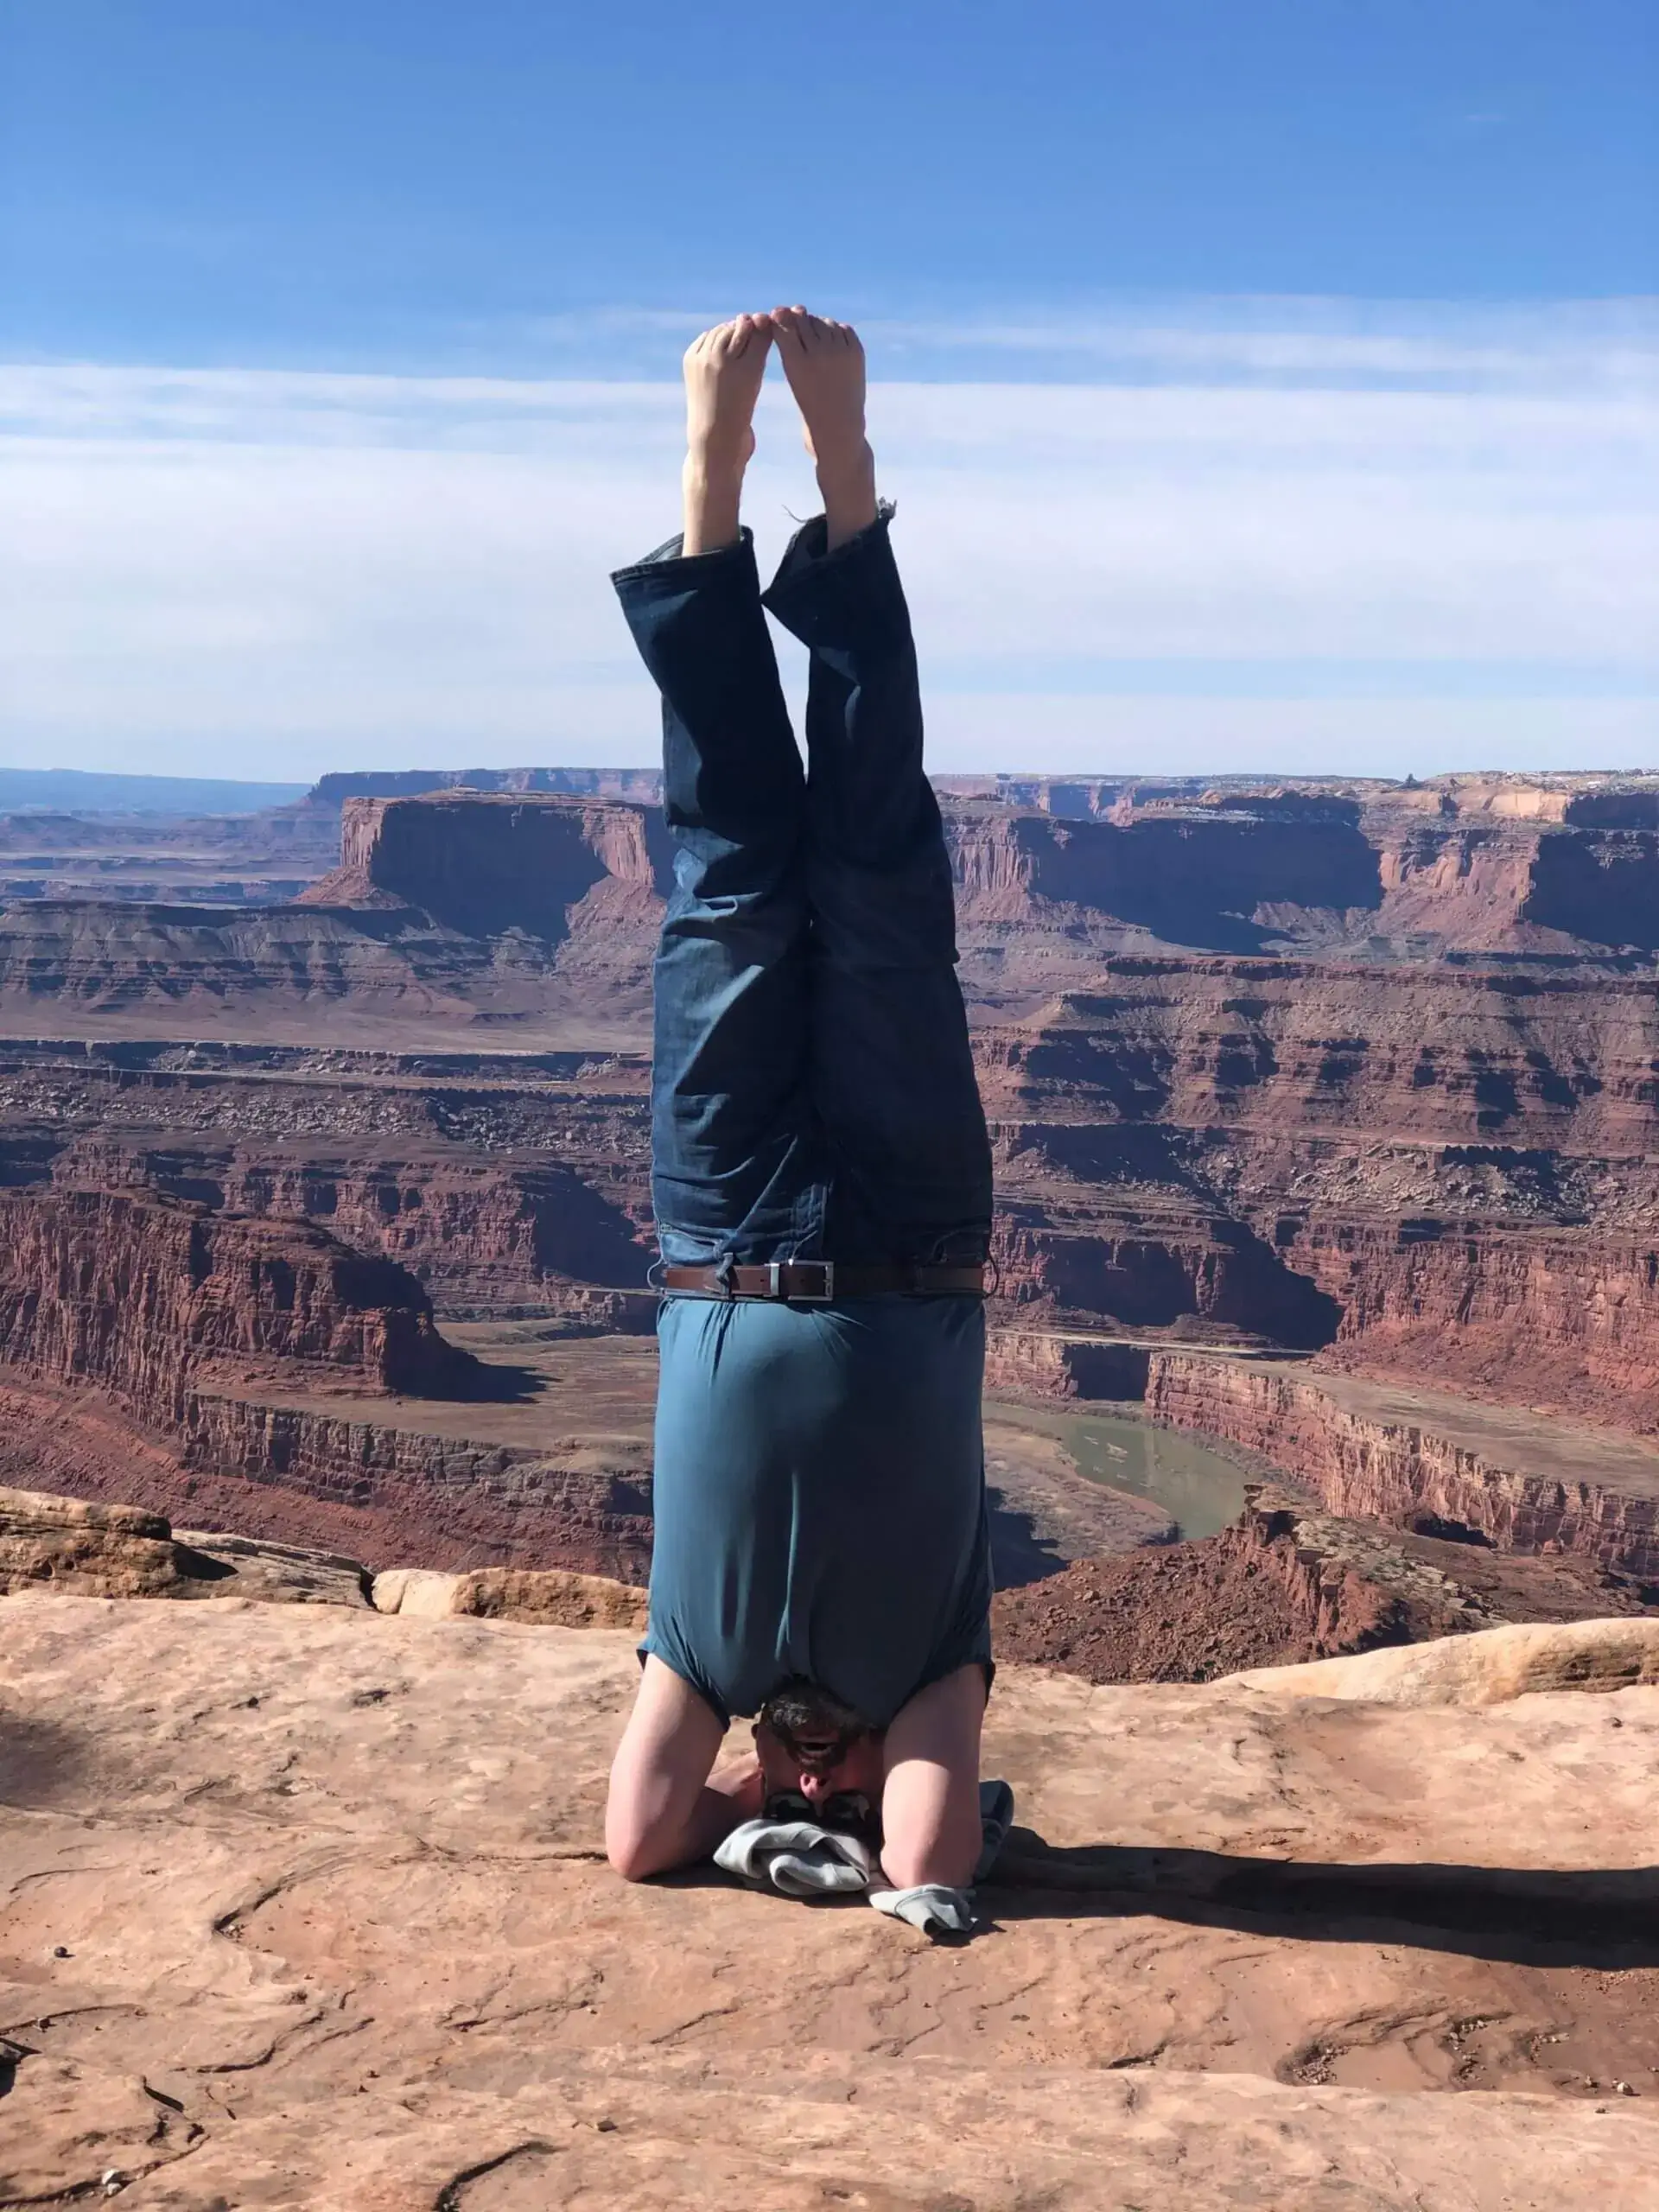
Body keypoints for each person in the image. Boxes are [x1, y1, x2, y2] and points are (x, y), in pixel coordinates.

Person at [604, 308, 996, 1908]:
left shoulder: (706, 1654)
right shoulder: (930, 1674)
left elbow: (637, 1842)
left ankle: (712, 494)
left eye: (789, 1791)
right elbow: (931, 1865)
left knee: (736, 874)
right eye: (840, 1795)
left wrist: (753, 1838)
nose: (818, 1778)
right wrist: (847, 1827)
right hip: (916, 1227)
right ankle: (847, 486)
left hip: (723, 1223)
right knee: (881, 876)